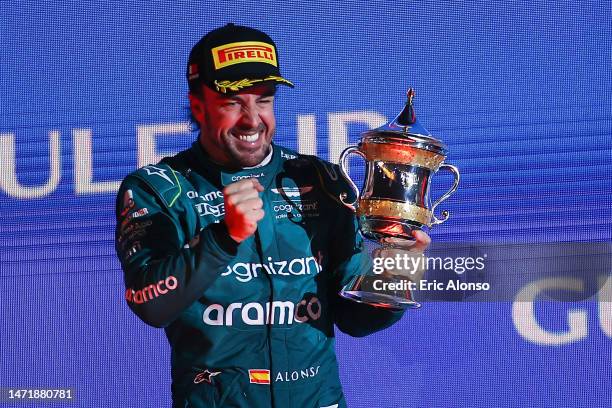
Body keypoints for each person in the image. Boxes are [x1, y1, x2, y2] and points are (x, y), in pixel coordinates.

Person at [115, 23, 430, 408]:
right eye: (233, 102)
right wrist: (223, 237)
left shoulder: (322, 179)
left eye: (263, 100)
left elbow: (356, 320)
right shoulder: (159, 189)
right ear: (197, 105)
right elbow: (150, 303)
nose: (252, 119)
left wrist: (396, 271)